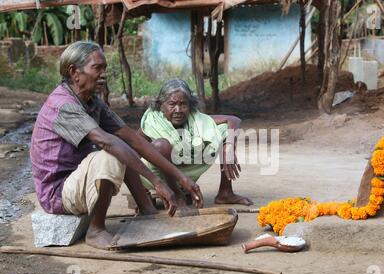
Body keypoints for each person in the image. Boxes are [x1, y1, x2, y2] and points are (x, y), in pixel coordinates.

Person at [30, 42, 203, 250]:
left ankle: (147, 210)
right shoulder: (63, 106)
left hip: (76, 183)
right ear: (75, 72)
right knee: (111, 153)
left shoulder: (92, 102)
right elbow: (107, 141)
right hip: (57, 194)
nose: (104, 74)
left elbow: (134, 139)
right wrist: (157, 182)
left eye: (105, 68)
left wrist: (181, 177)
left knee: (123, 147)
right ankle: (95, 231)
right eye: (97, 68)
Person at [138, 78, 253, 209]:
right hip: (157, 176)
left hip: (187, 172)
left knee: (224, 131)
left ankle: (225, 192)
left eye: (183, 104)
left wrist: (229, 147)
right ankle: (176, 194)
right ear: (161, 105)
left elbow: (233, 120)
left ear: (190, 105)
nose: (178, 110)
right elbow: (132, 152)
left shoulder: (196, 119)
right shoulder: (152, 123)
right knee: (161, 145)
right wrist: (141, 191)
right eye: (172, 104)